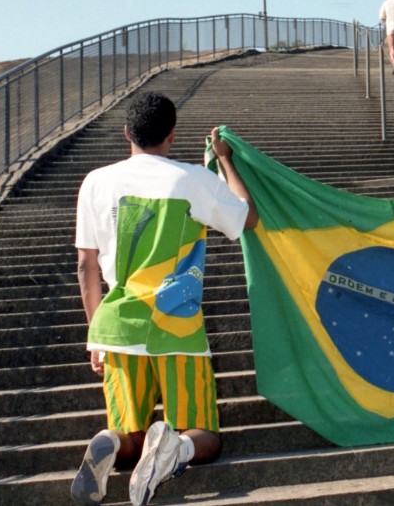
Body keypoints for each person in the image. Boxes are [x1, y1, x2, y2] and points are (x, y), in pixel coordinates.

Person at [71, 91, 258, 505]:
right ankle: (177, 448)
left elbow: (86, 265)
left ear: (126, 134)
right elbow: (247, 217)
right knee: (204, 435)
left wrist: (94, 335)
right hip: (177, 324)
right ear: (172, 135)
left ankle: (108, 442)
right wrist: (224, 159)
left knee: (131, 437)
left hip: (118, 324)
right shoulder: (190, 178)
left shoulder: (96, 183)